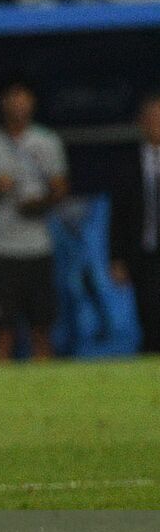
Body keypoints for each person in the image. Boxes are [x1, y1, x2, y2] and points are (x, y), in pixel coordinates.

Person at [0, 82, 68, 361]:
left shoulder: (46, 141)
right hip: (0, 246)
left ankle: (48, 391)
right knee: (2, 329)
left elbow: (61, 187)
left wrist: (39, 202)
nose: (18, 104)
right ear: (2, 103)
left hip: (38, 245)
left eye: (23, 98)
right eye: (12, 98)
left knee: (42, 326)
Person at [110, 92, 160, 353]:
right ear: (141, 122)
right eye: (152, 118)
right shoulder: (128, 162)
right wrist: (116, 257)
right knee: (149, 311)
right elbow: (118, 214)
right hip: (143, 251)